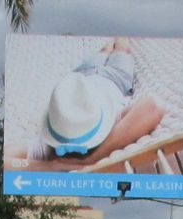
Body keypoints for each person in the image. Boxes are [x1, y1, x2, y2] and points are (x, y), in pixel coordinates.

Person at [19, 38, 163, 169]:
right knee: (121, 49)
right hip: (115, 78)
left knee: (104, 49)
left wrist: (52, 166)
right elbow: (153, 106)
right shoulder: (108, 125)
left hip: (82, 77)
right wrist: (93, 158)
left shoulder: (52, 143)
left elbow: (6, 159)